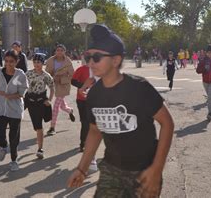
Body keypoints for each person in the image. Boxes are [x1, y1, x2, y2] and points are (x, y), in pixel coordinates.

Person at [67, 24, 174, 198]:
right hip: (111, 169)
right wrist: (82, 168)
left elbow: (167, 123)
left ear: (116, 60)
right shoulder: (94, 95)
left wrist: (156, 169)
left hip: (144, 170)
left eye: (97, 57)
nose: (91, 62)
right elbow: (95, 131)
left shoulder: (139, 88)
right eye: (88, 57)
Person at [0, 50, 28, 171]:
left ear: (17, 61)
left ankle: (14, 160)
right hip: (1, 108)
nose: (8, 64)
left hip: (15, 110)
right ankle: (3, 146)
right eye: (6, 61)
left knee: (14, 136)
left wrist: (8, 96)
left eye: (11, 61)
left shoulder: (20, 75)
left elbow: (22, 93)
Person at [71, 61, 99, 172]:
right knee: (86, 124)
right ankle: (85, 147)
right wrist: (82, 87)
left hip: (98, 100)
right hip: (82, 100)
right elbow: (74, 81)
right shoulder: (82, 69)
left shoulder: (102, 67)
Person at [24, 53, 54, 159]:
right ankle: (38, 133)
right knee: (36, 127)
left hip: (40, 102)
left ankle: (40, 149)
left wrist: (49, 100)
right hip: (29, 100)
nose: (36, 64)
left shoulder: (46, 75)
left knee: (39, 126)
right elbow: (21, 84)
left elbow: (52, 87)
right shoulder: (28, 73)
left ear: (43, 63)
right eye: (35, 62)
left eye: (39, 62)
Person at [45, 44, 75, 135]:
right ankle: (70, 110)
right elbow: (46, 73)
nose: (59, 52)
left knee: (56, 106)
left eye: (61, 50)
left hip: (63, 85)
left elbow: (72, 75)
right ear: (55, 51)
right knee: (62, 106)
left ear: (64, 52)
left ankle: (52, 127)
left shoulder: (68, 61)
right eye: (58, 50)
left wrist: (61, 79)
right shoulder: (50, 60)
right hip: (54, 85)